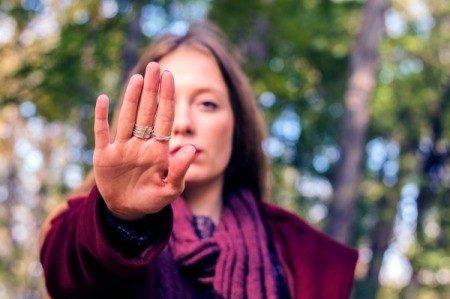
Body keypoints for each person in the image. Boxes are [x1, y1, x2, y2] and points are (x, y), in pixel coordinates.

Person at [40, 21, 358, 299]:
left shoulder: (298, 254)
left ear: (237, 125)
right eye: (167, 102)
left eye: (207, 103)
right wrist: (121, 218)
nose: (183, 123)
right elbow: (66, 275)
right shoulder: (87, 228)